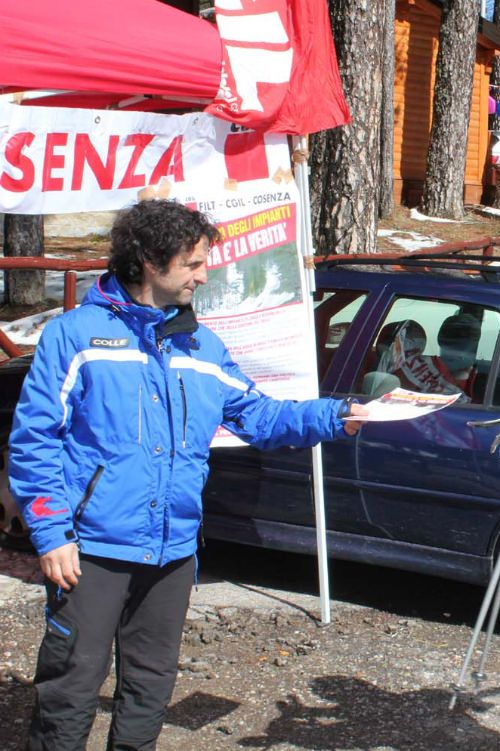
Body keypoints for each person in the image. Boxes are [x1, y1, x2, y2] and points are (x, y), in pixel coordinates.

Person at [8, 199, 368, 751]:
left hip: (172, 550)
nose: (205, 274)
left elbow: (260, 416)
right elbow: (35, 441)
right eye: (195, 263)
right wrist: (51, 533)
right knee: (70, 688)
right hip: (92, 552)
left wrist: (335, 415)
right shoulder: (76, 336)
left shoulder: (201, 344)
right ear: (151, 261)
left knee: (151, 688)